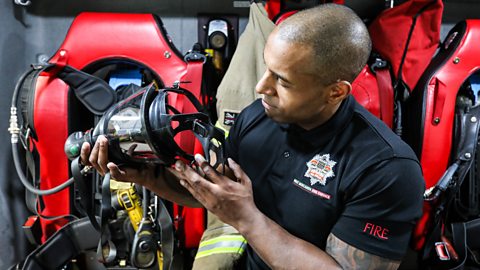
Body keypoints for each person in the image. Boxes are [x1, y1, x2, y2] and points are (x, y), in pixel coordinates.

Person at [82, 4, 425, 269]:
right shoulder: (257, 116)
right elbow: (218, 196)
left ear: (335, 92)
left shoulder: (387, 169)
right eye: (266, 69)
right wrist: (148, 177)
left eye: (283, 81)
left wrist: (246, 218)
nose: (262, 88)